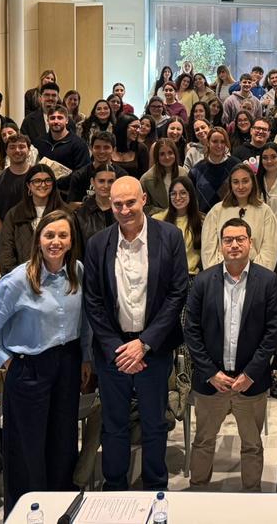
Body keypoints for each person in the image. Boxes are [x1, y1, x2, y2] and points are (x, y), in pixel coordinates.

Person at [0, 210, 90, 517]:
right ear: (38, 239)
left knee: (63, 440)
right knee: (28, 448)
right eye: (49, 235)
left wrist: (86, 357)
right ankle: (27, 514)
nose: (56, 242)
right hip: (29, 368)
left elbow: (85, 320)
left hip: (67, 363)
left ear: (71, 240)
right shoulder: (18, 280)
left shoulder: (78, 271)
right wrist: (5, 361)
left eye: (63, 235)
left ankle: (60, 510)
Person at [83, 175, 188, 491]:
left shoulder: (169, 236)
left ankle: (156, 485)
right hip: (112, 352)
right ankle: (115, 486)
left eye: (130, 202)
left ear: (144, 199)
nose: (125, 209)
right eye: (118, 204)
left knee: (155, 423)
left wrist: (144, 344)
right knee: (113, 425)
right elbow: (94, 301)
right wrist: (119, 347)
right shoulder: (98, 243)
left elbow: (177, 293)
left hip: (153, 348)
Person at [182, 218, 277, 491]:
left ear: (250, 242)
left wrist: (251, 374)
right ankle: (198, 490)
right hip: (211, 381)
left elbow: (272, 333)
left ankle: (251, 495)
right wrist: (210, 373)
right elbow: (192, 332)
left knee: (252, 445)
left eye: (240, 239)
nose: (234, 245)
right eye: (228, 240)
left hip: (250, 383)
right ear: (220, 244)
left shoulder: (268, 281)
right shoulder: (203, 281)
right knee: (203, 442)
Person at [199, 163, 277, 271]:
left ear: (253, 183)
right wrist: (220, 276)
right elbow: (208, 252)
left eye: (245, 181)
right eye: (236, 182)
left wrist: (253, 277)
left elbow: (269, 253)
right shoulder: (216, 212)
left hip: (255, 278)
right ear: (230, 185)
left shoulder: (266, 212)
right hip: (221, 277)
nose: (241, 186)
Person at [0, 164, 68, 275]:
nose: (43, 185)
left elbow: (73, 249)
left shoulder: (65, 213)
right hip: (23, 279)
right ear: (28, 185)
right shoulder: (14, 214)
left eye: (47, 180)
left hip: (58, 277)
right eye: (37, 181)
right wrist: (19, 278)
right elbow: (6, 253)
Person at [154, 175, 204, 278]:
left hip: (191, 277)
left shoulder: (202, 221)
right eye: (173, 194)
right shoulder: (157, 220)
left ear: (191, 194)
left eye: (183, 193)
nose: (177, 198)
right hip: (165, 277)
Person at [189, 127, 239, 213]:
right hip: (204, 219)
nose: (219, 145)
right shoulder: (197, 170)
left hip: (231, 217)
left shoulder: (236, 166)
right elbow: (190, 198)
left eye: (222, 142)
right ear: (208, 143)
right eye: (215, 141)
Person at [58, 131, 116, 204]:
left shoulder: (121, 175)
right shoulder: (79, 175)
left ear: (114, 150)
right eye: (97, 147)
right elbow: (72, 206)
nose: (101, 151)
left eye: (106, 147)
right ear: (91, 148)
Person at [36, 105, 90, 171]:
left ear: (67, 120)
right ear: (47, 121)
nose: (56, 121)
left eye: (60, 118)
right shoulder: (40, 142)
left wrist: (62, 180)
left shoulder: (79, 144)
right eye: (52, 118)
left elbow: (83, 172)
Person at [75, 163, 118, 245]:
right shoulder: (80, 214)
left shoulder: (122, 210)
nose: (106, 186)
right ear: (92, 182)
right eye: (101, 181)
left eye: (110, 181)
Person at [140, 138, 185, 216]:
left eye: (170, 153)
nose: (167, 157)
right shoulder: (146, 179)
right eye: (162, 154)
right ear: (157, 157)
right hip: (158, 222)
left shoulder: (184, 173)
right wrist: (166, 213)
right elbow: (144, 206)